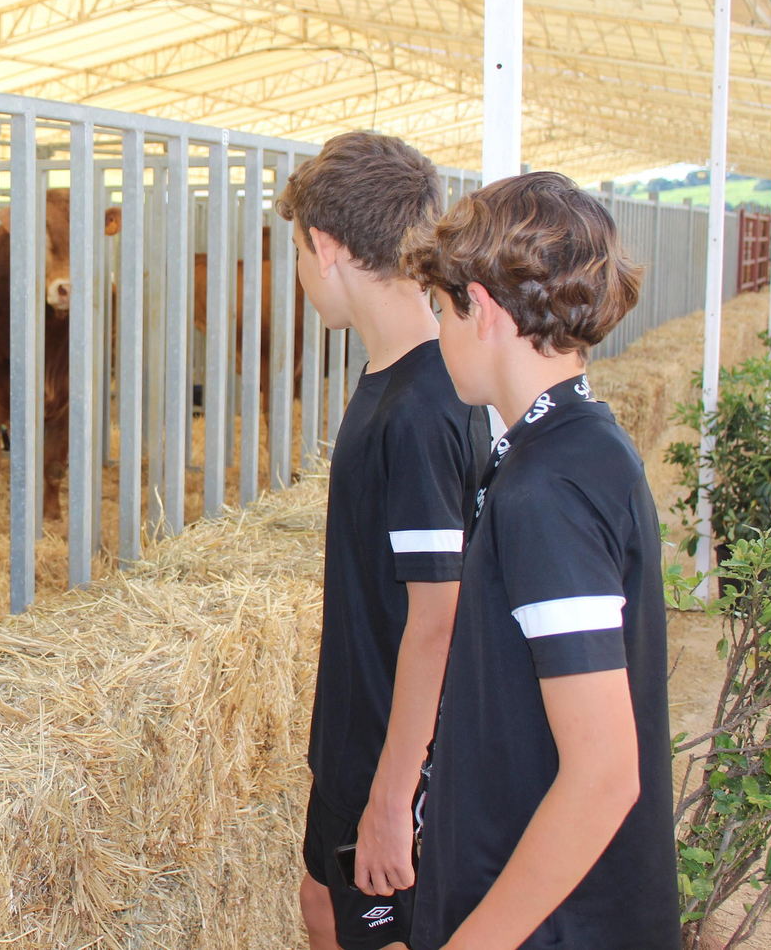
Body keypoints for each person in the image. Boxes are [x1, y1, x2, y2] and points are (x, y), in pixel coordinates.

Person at [399, 171, 677, 949]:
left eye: (441, 311)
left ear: (480, 308)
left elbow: (603, 775)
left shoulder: (547, 488)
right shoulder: (578, 446)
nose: (440, 335)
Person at [280, 132, 490, 950]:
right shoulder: (392, 379)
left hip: (387, 756)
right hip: (353, 737)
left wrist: (393, 798)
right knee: (320, 905)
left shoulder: (422, 406)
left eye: (299, 252)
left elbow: (438, 617)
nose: (301, 272)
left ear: (326, 246)